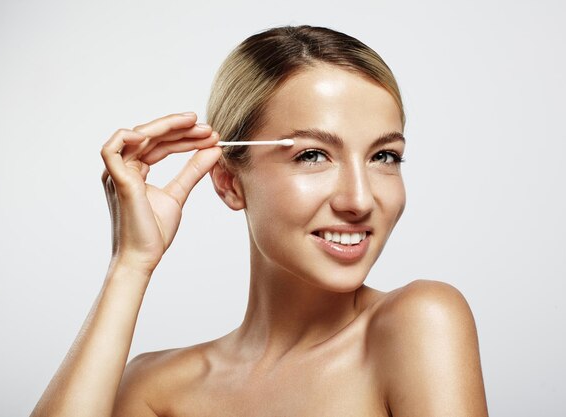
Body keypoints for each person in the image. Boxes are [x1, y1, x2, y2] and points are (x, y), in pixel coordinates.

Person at [31, 25, 489, 417]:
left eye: (384, 156)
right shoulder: (156, 390)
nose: (360, 199)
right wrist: (130, 263)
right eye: (313, 155)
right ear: (230, 183)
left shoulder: (419, 322)